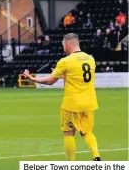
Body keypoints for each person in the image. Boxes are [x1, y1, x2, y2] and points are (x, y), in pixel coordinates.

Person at [22, 33, 101, 161]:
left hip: (72, 103)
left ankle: (70, 166)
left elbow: (50, 81)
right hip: (90, 102)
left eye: (63, 45)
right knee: (87, 132)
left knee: (68, 133)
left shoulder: (65, 61)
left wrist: (32, 78)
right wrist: (65, 76)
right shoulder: (90, 59)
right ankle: (96, 155)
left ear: (68, 45)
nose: (63, 47)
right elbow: (80, 78)